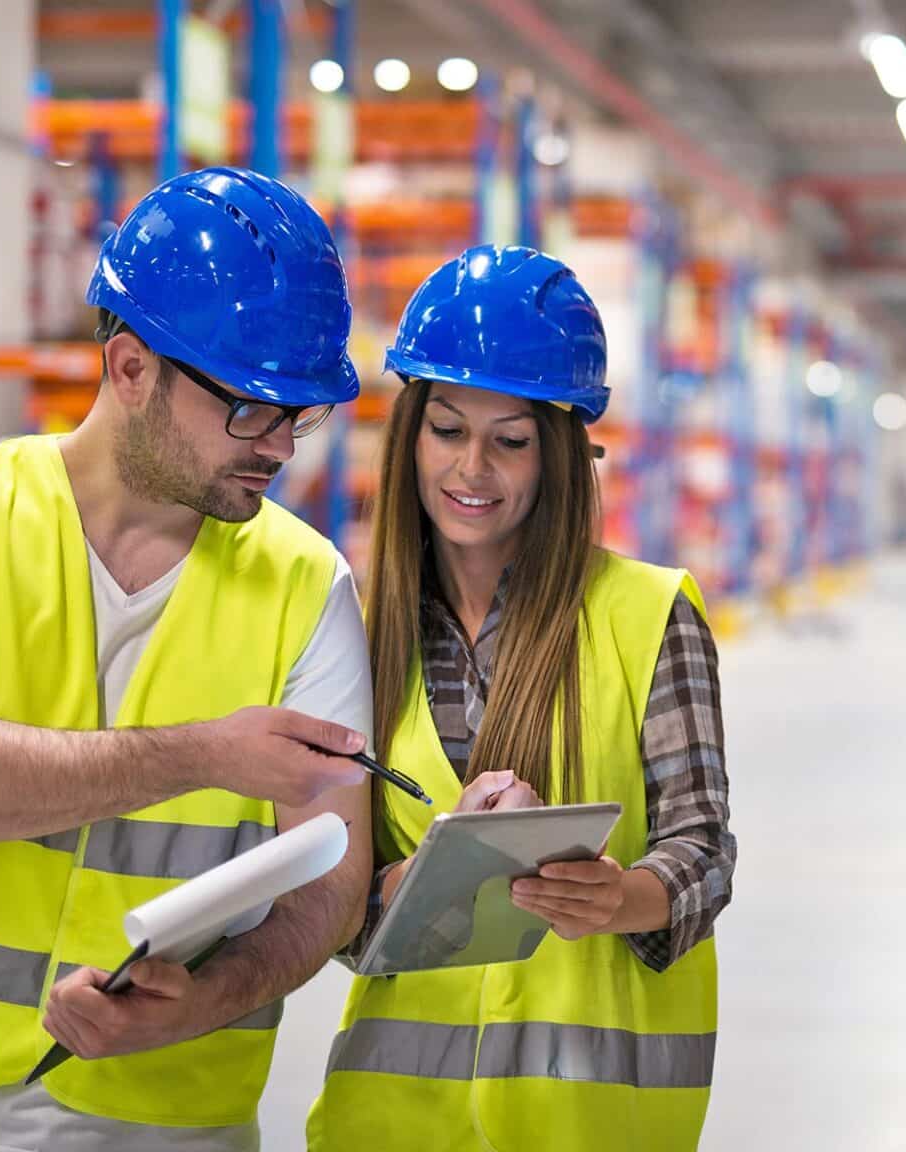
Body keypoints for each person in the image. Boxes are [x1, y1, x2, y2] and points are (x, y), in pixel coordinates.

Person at [0, 167, 376, 1152]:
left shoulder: (306, 580)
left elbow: (330, 873)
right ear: (129, 370)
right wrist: (201, 754)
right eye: (251, 409)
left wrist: (207, 1000)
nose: (281, 445)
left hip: (170, 1126)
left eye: (302, 415)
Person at [307, 245, 736, 1151]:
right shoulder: (355, 626)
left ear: (561, 458)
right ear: (411, 435)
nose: (472, 470)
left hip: (582, 1126)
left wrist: (621, 897)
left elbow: (703, 851)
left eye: (510, 442)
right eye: (448, 430)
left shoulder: (649, 615)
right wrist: (402, 888)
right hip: (391, 1126)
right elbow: (338, 913)